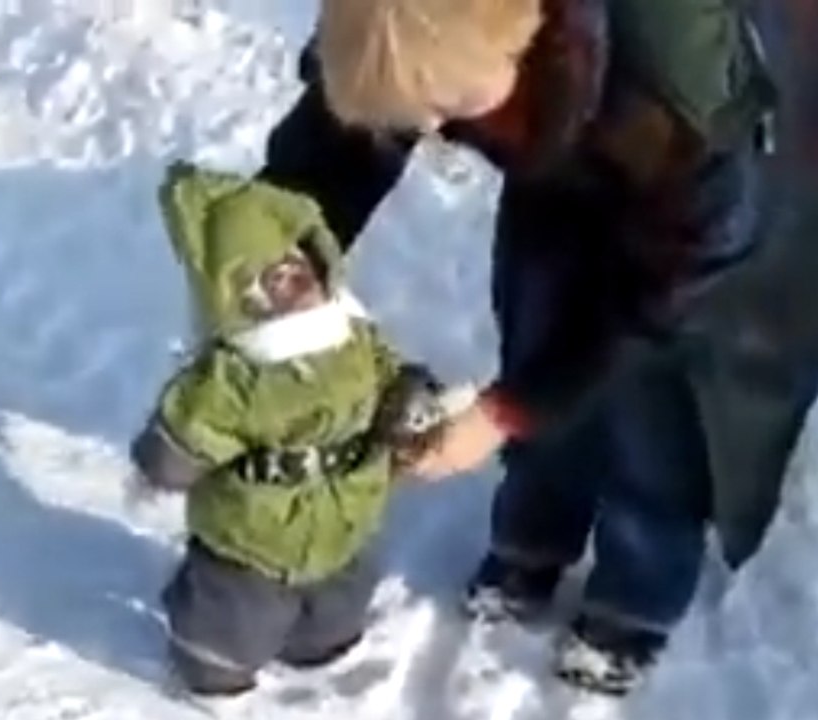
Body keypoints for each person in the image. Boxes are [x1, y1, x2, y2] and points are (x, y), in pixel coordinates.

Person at [255, 0, 816, 696]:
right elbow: (347, 128)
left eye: (446, 105)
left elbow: (662, 292)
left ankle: (633, 600)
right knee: (537, 316)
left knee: (657, 412)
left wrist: (502, 412)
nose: (428, 129)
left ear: (520, 41)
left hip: (702, 203)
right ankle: (535, 533)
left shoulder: (679, 98)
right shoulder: (414, 29)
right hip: (566, 140)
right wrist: (281, 252)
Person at [127, 161, 468, 702]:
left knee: (338, 605)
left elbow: (391, 371)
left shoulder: (352, 334)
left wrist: (410, 398)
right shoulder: (232, 377)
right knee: (232, 619)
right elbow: (188, 431)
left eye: (296, 264)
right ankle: (210, 667)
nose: (291, 281)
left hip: (347, 517)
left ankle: (320, 647)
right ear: (230, 294)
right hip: (254, 537)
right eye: (268, 278)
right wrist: (163, 462)